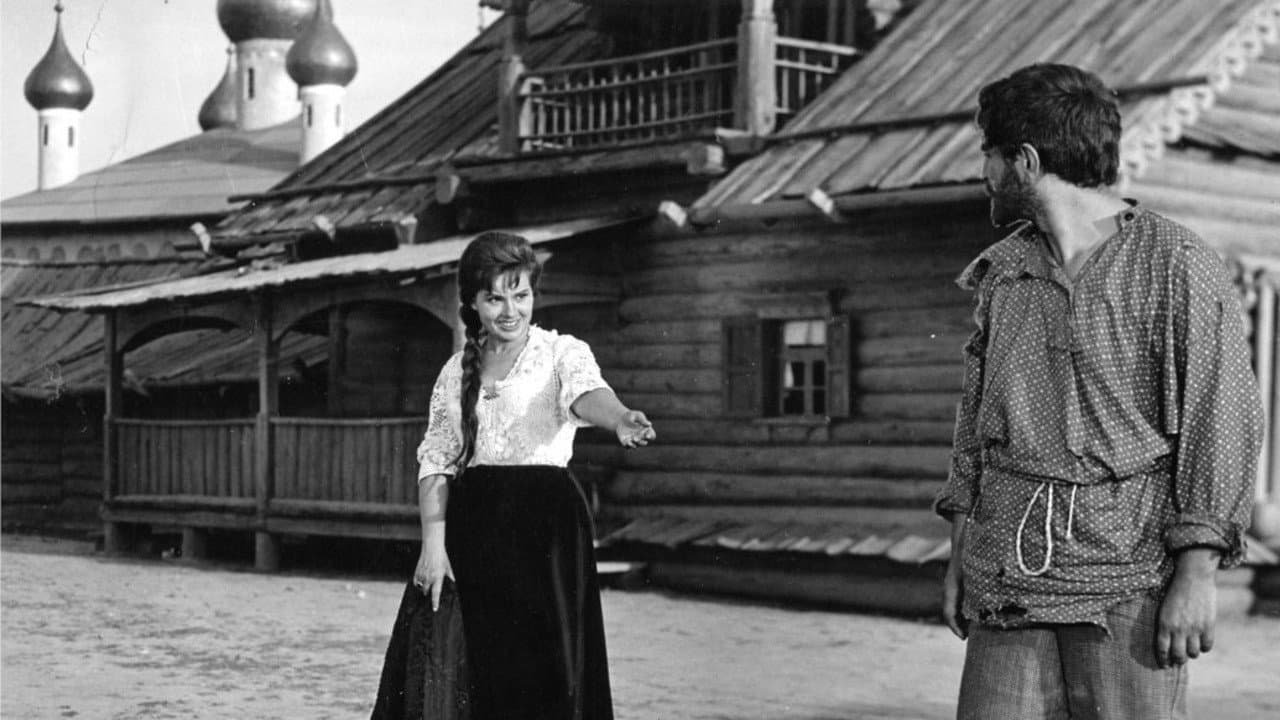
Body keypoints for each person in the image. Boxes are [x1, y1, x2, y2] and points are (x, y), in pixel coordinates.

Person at [934, 63, 1262, 720]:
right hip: (1008, 577)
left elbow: (1219, 421)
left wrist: (1197, 575)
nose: (985, 173)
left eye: (990, 154)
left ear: (1026, 162)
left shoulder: (1176, 265)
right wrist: (960, 553)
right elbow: (974, 427)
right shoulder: (1005, 274)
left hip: (1128, 580)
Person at [372, 231, 655, 720]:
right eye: (495, 298)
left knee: (547, 674)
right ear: (472, 303)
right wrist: (433, 549)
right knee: (464, 669)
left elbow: (587, 394)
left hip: (547, 535)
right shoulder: (454, 372)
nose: (511, 310)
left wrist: (620, 418)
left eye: (520, 295)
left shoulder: (561, 352)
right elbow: (436, 461)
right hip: (473, 536)